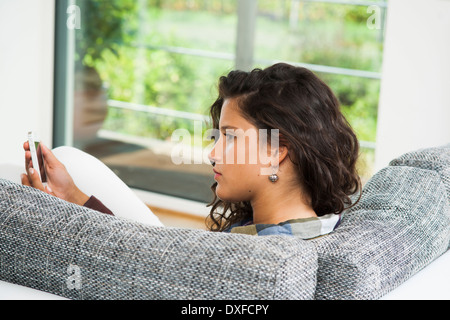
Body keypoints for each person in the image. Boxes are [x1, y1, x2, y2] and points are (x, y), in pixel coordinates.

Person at [22, 63, 361, 239]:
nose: (213, 154)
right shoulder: (320, 226)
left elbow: (147, 271)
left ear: (275, 151)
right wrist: (75, 197)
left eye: (229, 137)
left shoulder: (254, 255)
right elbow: (157, 258)